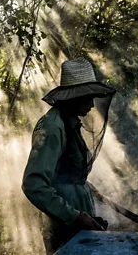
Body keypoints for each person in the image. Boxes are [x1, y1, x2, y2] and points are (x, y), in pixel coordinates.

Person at [21, 58, 116, 254]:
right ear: (73, 96)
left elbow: (65, 172)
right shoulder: (52, 127)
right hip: (63, 227)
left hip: (77, 225)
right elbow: (34, 184)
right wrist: (74, 216)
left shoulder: (68, 122)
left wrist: (89, 189)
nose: (91, 103)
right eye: (87, 97)